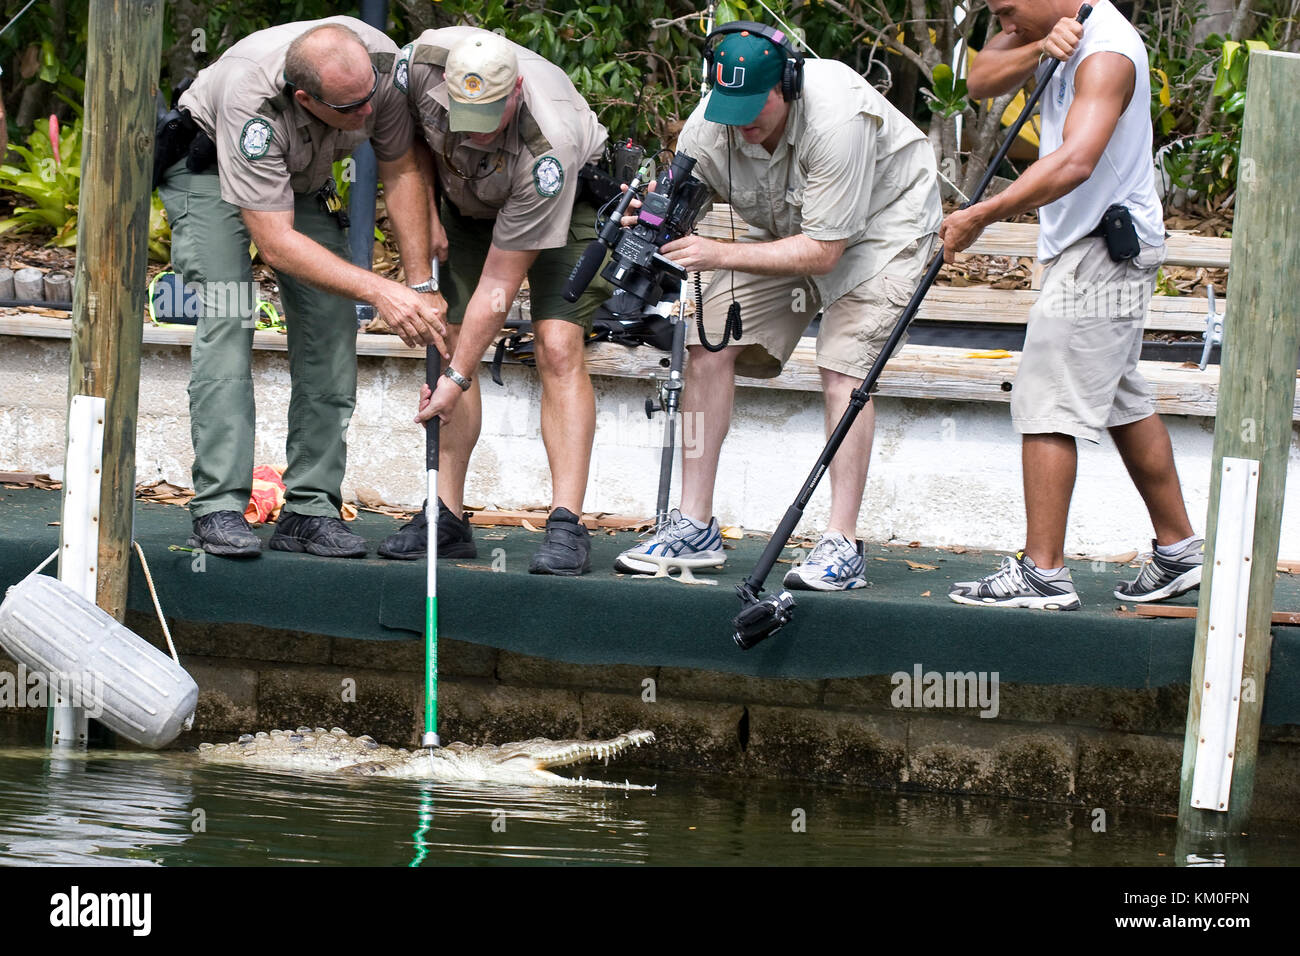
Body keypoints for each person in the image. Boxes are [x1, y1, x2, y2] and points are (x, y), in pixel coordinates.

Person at [612, 24, 942, 591]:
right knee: (704, 341)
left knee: (843, 365)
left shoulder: (836, 116)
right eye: (729, 106)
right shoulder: (711, 123)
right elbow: (681, 199)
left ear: (787, 84)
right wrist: (650, 217)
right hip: (793, 233)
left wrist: (717, 251)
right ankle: (694, 525)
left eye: (754, 105)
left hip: (883, 235)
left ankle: (842, 543)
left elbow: (824, 251)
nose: (742, 122)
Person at [942, 0, 1203, 610]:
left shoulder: (1107, 51)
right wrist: (1035, 45)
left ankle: (1043, 571)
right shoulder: (1042, 31)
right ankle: (1179, 553)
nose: (1000, 24)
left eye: (1006, 12)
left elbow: (1078, 160)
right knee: (1121, 398)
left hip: (1103, 247)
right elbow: (979, 79)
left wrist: (983, 212)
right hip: (1083, 244)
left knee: (1046, 398)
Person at [158, 17, 447, 560]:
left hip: (299, 176)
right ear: (303, 98)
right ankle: (218, 506)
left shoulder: (374, 71)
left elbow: (400, 166)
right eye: (350, 108)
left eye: (369, 99)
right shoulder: (256, 102)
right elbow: (276, 242)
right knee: (230, 313)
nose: (367, 113)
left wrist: (420, 283)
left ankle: (310, 510)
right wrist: (381, 291)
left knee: (332, 322)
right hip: (209, 167)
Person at [377, 27, 611, 575]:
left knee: (556, 344)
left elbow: (499, 288)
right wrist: (429, 212)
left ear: (516, 92)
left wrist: (455, 381)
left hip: (563, 202)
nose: (475, 134)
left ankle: (566, 524)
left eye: (490, 122)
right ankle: (447, 519)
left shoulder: (547, 148)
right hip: (465, 199)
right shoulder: (416, 67)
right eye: (466, 119)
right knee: (449, 333)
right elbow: (400, 141)